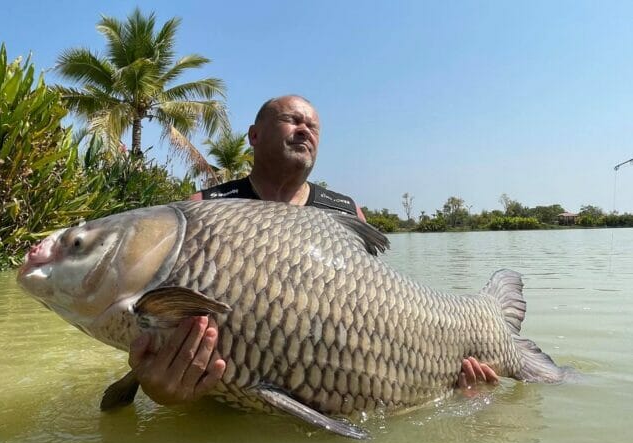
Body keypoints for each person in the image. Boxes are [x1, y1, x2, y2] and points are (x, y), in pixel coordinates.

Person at [128, 95, 498, 406]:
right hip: (226, 404)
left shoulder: (345, 211)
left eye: (313, 127)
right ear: (254, 136)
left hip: (331, 394)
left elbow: (381, 317)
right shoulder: (205, 207)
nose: (305, 129)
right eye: (291, 120)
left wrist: (441, 378)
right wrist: (155, 385)